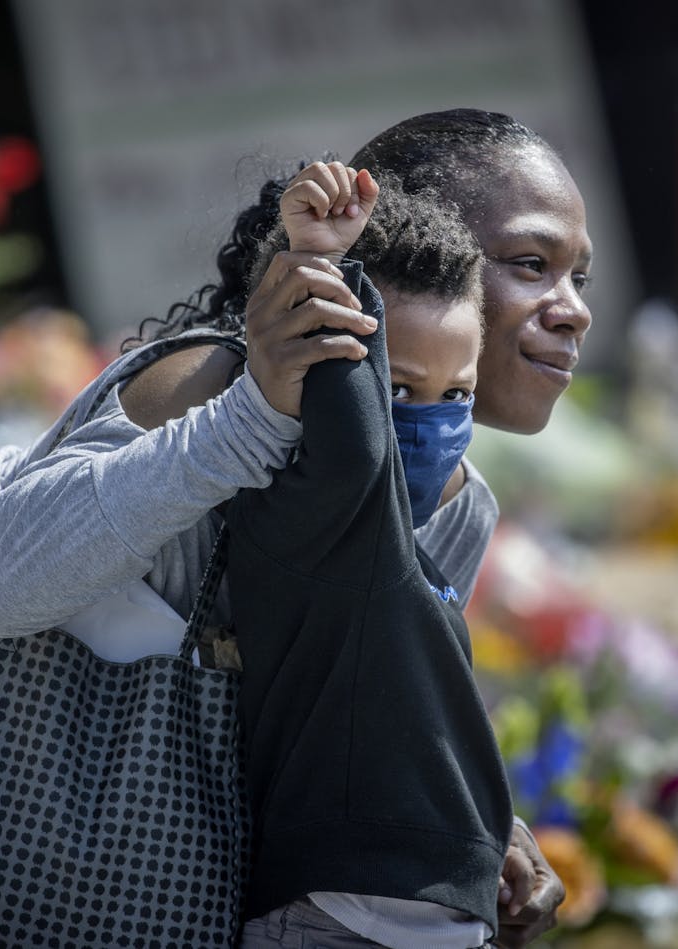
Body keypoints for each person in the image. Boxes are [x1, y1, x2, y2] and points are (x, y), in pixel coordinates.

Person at [0, 108, 589, 947]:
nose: (572, 309)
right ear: (405, 251)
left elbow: (350, 710)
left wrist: (477, 830)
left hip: (35, 793)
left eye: (578, 276)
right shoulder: (213, 387)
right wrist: (253, 420)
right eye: (531, 264)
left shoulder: (454, 509)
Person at [229, 161, 514, 948]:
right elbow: (355, 451)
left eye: (457, 394)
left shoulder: (416, 543)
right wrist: (323, 259)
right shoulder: (326, 519)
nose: (435, 425)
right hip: (340, 921)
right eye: (396, 389)